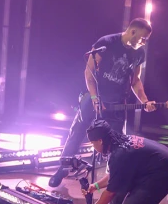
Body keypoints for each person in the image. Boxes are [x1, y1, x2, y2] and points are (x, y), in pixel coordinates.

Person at [48, 18, 156, 188]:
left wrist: (145, 101)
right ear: (133, 32)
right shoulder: (106, 43)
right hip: (93, 97)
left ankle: (112, 181)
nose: (144, 42)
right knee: (77, 131)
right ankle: (64, 168)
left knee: (118, 143)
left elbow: (135, 81)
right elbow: (89, 73)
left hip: (117, 103)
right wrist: (94, 98)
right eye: (143, 38)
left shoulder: (139, 54)